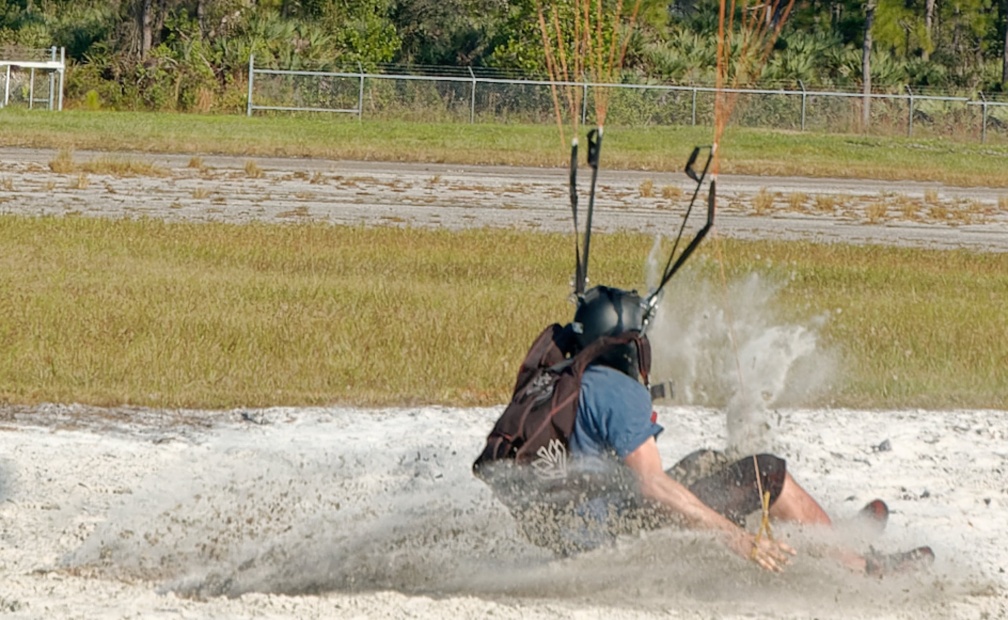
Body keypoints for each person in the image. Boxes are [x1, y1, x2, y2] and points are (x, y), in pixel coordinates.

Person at [498, 284, 932, 575]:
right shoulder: (616, 390)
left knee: (708, 462)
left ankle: (829, 535)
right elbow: (651, 486)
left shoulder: (555, 377)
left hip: (579, 528)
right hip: (613, 536)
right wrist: (736, 538)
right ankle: (861, 566)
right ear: (627, 342)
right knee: (766, 474)